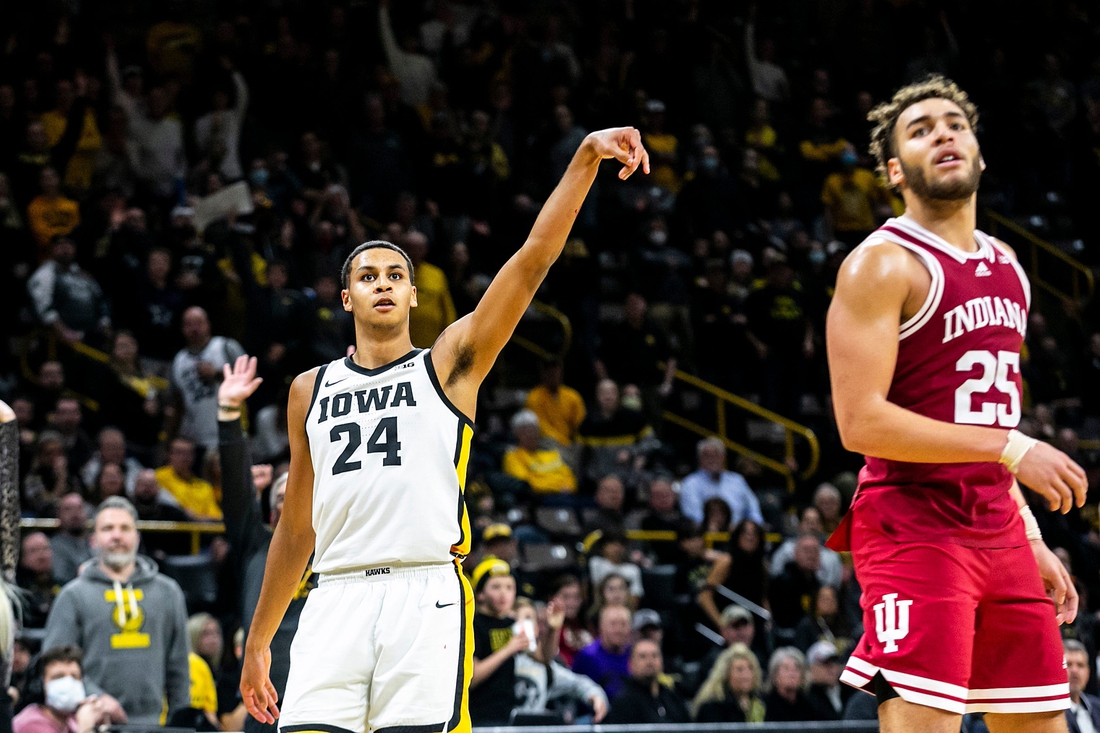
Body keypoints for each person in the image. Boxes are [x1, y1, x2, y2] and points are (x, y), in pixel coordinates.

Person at [239, 128, 650, 733]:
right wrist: (258, 640)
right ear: (346, 298)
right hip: (333, 596)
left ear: (412, 294)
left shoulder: (449, 362)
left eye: (395, 274)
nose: (382, 283)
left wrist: (586, 158)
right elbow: (298, 524)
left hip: (423, 588)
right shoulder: (309, 388)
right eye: (368, 275)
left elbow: (532, 259)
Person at [825, 76, 1085, 731]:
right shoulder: (881, 264)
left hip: (998, 525)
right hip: (911, 527)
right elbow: (860, 422)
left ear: (979, 151)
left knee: (1039, 723)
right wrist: (1013, 447)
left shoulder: (1010, 266)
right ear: (894, 171)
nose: (942, 133)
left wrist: (1030, 534)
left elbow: (990, 417)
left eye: (954, 124)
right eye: (920, 129)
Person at [216, 359, 313, 733]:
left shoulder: (338, 543)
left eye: (298, 494)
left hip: (328, 695)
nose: (289, 500)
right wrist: (228, 414)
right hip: (266, 703)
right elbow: (237, 493)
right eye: (280, 495)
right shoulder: (256, 544)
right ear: (270, 512)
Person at [42, 497, 191, 725]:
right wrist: (98, 699)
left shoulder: (168, 592)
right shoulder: (72, 596)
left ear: (137, 537)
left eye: (125, 528)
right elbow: (54, 667)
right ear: (93, 540)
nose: (117, 535)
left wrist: (181, 720)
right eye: (107, 528)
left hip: (153, 724)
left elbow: (179, 664)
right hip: (92, 723)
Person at [168, 307, 246, 452]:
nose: (194, 329)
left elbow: (250, 378)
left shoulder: (225, 346)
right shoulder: (179, 361)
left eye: (198, 323)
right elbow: (177, 404)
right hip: (196, 441)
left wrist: (216, 374)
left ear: (208, 324)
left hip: (232, 434)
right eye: (189, 324)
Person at [12, 646, 123, 733]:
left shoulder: (71, 721)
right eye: (58, 677)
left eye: (74, 676)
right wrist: (86, 726)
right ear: (40, 685)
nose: (68, 682)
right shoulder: (30, 724)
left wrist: (101, 725)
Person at [468, 559, 524, 725]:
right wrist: (509, 649)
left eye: (509, 587)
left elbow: (542, 657)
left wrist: (552, 629)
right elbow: (472, 677)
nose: (503, 594)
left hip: (508, 712)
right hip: (480, 715)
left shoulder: (511, 623)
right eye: (496, 587)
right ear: (480, 594)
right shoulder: (474, 624)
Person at [680, 438, 763, 527]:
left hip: (737, 534)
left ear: (723, 457)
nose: (712, 459)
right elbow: (692, 514)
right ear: (700, 458)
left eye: (716, 455)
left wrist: (756, 526)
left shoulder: (737, 480)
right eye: (707, 455)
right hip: (706, 535)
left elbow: (753, 507)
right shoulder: (691, 483)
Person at [603, 639, 690, 723]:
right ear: (630, 664)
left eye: (654, 655)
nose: (650, 661)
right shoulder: (623, 702)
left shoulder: (672, 697)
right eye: (642, 656)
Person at [501, 410, 576, 495]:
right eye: (526, 430)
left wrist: (568, 486)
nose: (531, 434)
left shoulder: (551, 454)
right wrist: (556, 487)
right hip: (535, 501)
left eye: (534, 429)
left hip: (562, 498)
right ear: (517, 434)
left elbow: (568, 476)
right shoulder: (512, 456)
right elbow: (525, 484)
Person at [692, 643, 766, 723]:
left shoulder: (763, 704)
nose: (746, 675)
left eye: (750, 668)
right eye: (740, 669)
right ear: (725, 674)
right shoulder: (712, 709)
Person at [572, 605, 633, 699]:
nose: (618, 630)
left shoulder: (635, 655)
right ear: (601, 627)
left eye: (623, 624)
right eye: (613, 624)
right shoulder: (588, 657)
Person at [154, 439, 222, 521]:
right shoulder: (157, 478)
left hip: (198, 531)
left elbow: (217, 516)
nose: (184, 457)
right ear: (169, 455)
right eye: (179, 452)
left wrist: (196, 518)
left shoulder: (204, 487)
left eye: (188, 453)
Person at [763, 647, 815, 722]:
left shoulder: (810, 705)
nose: (792, 674)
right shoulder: (764, 706)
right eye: (786, 669)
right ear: (774, 674)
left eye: (796, 669)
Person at [50, 494, 91, 585]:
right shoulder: (54, 547)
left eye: (79, 508)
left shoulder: (96, 542)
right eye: (68, 509)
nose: (75, 514)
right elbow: (62, 579)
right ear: (59, 515)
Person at [805, 640, 850, 720]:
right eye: (826, 664)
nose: (832, 668)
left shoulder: (848, 691)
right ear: (812, 667)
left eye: (835, 662)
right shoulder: (806, 698)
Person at [1064, 640, 1100, 733]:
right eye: (1068, 664)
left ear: (1088, 672)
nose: (1075, 670)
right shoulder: (1053, 713)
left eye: (1080, 665)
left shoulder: (1097, 706)